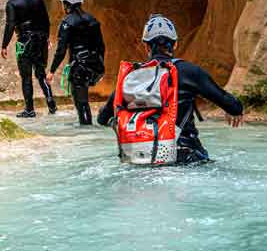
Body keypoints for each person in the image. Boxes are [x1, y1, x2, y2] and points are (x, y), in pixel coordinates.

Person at [97, 14, 244, 163]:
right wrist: (235, 110)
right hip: (186, 157)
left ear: (146, 46)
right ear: (175, 45)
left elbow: (102, 118)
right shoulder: (189, 72)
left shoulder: (131, 78)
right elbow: (231, 104)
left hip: (140, 160)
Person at [45, 0, 105, 126]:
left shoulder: (67, 23)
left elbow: (61, 50)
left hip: (79, 67)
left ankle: (86, 131)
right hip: (94, 65)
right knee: (84, 100)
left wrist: (52, 71)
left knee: (81, 103)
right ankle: (87, 127)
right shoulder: (92, 20)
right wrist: (100, 65)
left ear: (67, 4)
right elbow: (101, 46)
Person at [0, 0, 56, 118]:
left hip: (25, 41)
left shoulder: (12, 3)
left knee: (26, 76)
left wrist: (4, 45)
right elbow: (45, 20)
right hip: (41, 39)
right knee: (41, 73)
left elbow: (10, 25)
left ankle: (30, 109)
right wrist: (46, 37)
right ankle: (51, 103)